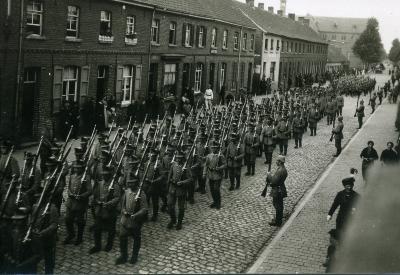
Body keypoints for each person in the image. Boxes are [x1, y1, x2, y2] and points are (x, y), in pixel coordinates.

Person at [115, 178, 148, 265]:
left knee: (136, 238)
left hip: (135, 221)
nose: (130, 185)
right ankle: (124, 256)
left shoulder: (142, 193)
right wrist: (124, 211)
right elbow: (122, 206)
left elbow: (144, 208)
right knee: (122, 237)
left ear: (136, 183)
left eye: (132, 183)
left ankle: (134, 256)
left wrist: (136, 215)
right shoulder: (126, 192)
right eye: (129, 183)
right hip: (125, 220)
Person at [89, 166, 120, 254]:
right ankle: (97, 246)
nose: (104, 176)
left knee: (111, 229)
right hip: (100, 210)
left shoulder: (115, 185)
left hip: (110, 210)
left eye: (106, 175)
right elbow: (95, 195)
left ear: (109, 175)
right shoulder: (100, 184)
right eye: (103, 175)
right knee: (97, 229)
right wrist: (96, 201)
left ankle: (109, 245)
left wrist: (109, 203)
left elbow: (117, 197)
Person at [64, 160, 92, 245]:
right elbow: (68, 188)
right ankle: (71, 234)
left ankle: (79, 238)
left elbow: (90, 191)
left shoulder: (86, 177)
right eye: (75, 168)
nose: (76, 170)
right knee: (68, 219)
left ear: (82, 168)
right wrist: (70, 194)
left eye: (78, 168)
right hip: (71, 202)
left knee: (80, 221)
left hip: (80, 203)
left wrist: (82, 196)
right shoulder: (72, 176)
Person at [167, 152, 191, 230]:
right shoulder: (173, 165)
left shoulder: (186, 167)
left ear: (183, 158)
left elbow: (190, 179)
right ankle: (173, 220)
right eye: (177, 157)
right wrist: (171, 181)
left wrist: (182, 182)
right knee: (170, 206)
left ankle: (179, 222)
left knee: (181, 208)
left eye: (180, 158)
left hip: (181, 190)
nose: (178, 159)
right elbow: (169, 176)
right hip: (172, 189)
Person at [265, 155, 288, 226]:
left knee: (277, 205)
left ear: (280, 162)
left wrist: (269, 175)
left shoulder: (280, 171)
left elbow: (274, 181)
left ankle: (278, 221)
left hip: (277, 190)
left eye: (277, 161)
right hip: (281, 188)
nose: (276, 162)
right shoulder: (283, 169)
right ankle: (279, 219)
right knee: (280, 205)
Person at [203, 142, 226, 209]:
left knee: (216, 189)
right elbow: (206, 165)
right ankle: (214, 202)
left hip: (217, 175)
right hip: (210, 175)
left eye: (215, 147)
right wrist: (204, 173)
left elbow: (225, 164)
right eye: (212, 147)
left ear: (217, 148)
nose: (213, 149)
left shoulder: (220, 155)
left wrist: (219, 168)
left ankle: (218, 203)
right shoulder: (209, 156)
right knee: (212, 189)